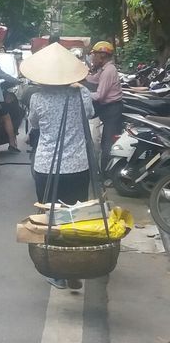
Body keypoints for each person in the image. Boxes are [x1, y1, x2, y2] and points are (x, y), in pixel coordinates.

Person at [21, 43, 94, 291]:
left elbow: (35, 125)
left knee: (51, 217)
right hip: (78, 165)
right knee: (74, 216)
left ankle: (58, 272)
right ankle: (75, 266)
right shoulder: (81, 94)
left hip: (47, 166)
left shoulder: (37, 98)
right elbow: (90, 114)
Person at [86, 41, 123, 176]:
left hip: (112, 109)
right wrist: (80, 77)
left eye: (94, 55)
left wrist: (83, 93)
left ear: (102, 56)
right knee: (105, 141)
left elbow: (100, 96)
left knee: (108, 143)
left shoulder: (108, 71)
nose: (92, 58)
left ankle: (106, 176)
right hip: (108, 108)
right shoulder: (104, 69)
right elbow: (93, 79)